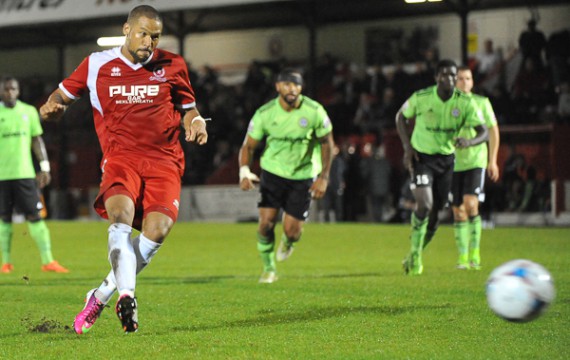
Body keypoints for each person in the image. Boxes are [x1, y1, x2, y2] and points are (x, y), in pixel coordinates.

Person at [39, 5, 208, 334]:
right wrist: (54, 106)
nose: (149, 42)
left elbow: (189, 108)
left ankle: (100, 295)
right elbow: (62, 94)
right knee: (120, 216)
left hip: (165, 160)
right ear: (126, 29)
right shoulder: (96, 64)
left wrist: (197, 122)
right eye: (143, 33)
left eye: (155, 36)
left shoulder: (172, 65)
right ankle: (127, 296)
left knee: (157, 230)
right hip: (121, 158)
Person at [238, 69, 334, 284]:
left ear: (301, 88)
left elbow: (328, 143)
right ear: (278, 87)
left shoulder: (314, 111)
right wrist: (244, 170)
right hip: (272, 173)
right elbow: (248, 146)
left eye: (296, 85)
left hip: (303, 175)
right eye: (287, 84)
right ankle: (269, 267)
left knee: (293, 231)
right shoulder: (265, 113)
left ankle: (288, 242)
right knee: (266, 224)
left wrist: (324, 177)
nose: (292, 89)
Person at [395, 59, 488, 276]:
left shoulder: (464, 103)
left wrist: (470, 141)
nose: (449, 79)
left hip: (446, 161)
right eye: (445, 75)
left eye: (453, 75)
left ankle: (415, 251)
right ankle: (416, 257)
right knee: (425, 204)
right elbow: (400, 116)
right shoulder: (422, 97)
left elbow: (483, 131)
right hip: (421, 158)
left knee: (436, 215)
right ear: (436, 77)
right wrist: (407, 147)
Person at [0, 76, 69, 274]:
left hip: (24, 174)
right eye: (6, 89)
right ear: (1, 91)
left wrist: (45, 167)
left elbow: (36, 140)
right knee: (4, 219)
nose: (10, 93)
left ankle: (48, 261)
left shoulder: (28, 112)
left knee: (35, 217)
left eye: (13, 89)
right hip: (2, 176)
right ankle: (6, 263)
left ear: (18, 91)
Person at [451, 66, 500, 270]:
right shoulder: (447, 104)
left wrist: (493, 160)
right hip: (453, 163)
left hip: (475, 161)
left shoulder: (481, 103)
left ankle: (475, 254)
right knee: (458, 211)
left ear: (472, 82)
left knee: (471, 204)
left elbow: (493, 131)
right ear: (455, 82)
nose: (464, 82)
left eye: (468, 78)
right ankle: (462, 257)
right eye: (460, 78)